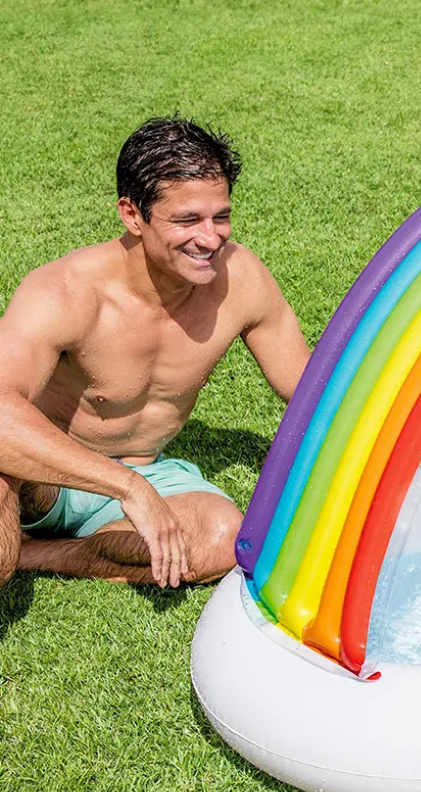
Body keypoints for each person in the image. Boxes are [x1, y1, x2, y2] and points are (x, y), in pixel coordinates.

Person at [0, 115, 311, 590]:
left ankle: (37, 554)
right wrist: (128, 488)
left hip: (147, 468)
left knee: (221, 539)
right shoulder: (65, 292)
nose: (210, 238)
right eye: (187, 220)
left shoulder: (240, 280)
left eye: (220, 216)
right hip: (46, 475)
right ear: (132, 215)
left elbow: (313, 392)